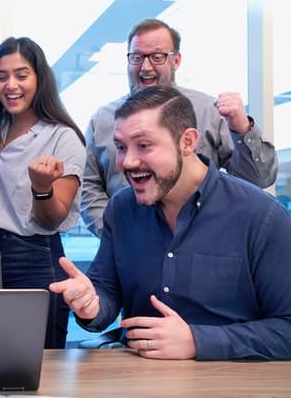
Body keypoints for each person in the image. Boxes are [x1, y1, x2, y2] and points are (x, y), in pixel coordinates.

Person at [50, 85, 291, 360]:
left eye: (144, 145)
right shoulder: (122, 208)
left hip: (229, 382)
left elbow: (287, 328)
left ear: (187, 142)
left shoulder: (261, 215)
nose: (126, 162)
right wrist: (91, 305)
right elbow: (106, 292)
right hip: (139, 377)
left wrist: (198, 341)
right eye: (120, 146)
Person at [80, 18, 278, 237]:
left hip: (202, 243)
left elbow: (258, 180)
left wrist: (242, 130)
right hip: (128, 251)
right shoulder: (102, 120)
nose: (145, 67)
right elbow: (88, 188)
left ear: (176, 61)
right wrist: (116, 233)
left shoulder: (208, 111)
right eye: (137, 57)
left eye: (157, 57)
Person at [0, 36, 87, 349]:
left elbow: (53, 219)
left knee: (37, 366)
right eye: (2, 76)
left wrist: (41, 188)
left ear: (40, 79)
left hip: (34, 259)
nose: (11, 85)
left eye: (21, 75)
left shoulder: (63, 138)